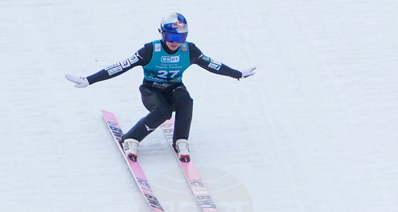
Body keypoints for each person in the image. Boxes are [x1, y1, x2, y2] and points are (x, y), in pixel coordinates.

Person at [65, 12, 255, 162]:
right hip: (151, 90)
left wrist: (238, 74)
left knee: (185, 100)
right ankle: (131, 139)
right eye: (171, 36)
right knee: (163, 111)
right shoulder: (150, 50)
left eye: (180, 38)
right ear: (162, 34)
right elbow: (121, 66)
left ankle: (181, 141)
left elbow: (213, 65)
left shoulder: (189, 50)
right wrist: (89, 79)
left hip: (174, 89)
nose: (174, 42)